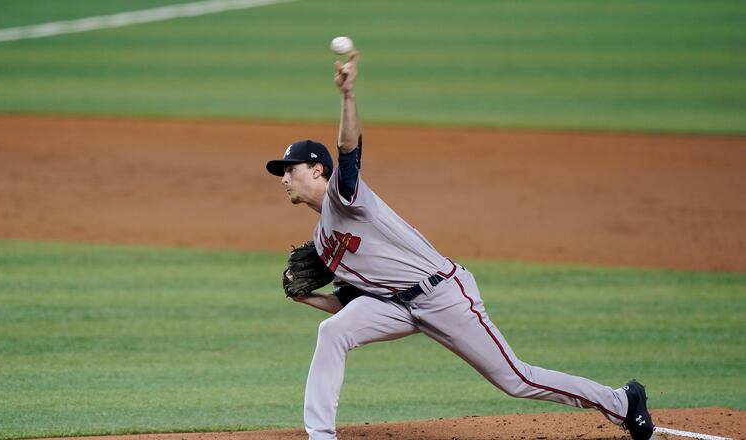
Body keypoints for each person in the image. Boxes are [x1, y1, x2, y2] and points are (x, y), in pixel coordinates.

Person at [265, 49, 654, 440]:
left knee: (516, 379)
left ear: (317, 170)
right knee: (333, 331)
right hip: (397, 306)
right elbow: (351, 301)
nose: (284, 178)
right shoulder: (322, 240)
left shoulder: (343, 196)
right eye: (282, 172)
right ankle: (320, 436)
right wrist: (306, 298)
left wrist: (348, 96)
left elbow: (349, 150)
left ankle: (622, 401)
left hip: (443, 295)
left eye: (291, 170)